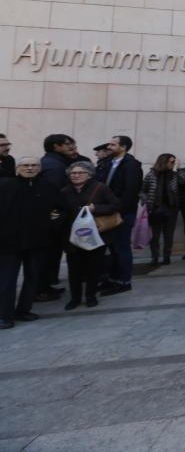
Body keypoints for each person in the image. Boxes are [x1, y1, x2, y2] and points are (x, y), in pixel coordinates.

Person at [0, 157, 61, 328]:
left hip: (37, 241)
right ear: (18, 168)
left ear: (40, 168)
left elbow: (60, 209)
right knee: (7, 280)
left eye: (34, 165)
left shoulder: (48, 187)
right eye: (25, 165)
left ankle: (24, 310)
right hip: (8, 243)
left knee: (33, 277)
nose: (29, 168)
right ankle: (5, 315)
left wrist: (52, 223)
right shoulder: (4, 185)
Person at [61, 161, 119, 310]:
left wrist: (96, 208)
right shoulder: (64, 191)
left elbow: (115, 205)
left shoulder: (100, 188)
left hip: (95, 235)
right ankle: (74, 298)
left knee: (94, 268)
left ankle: (91, 296)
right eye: (73, 173)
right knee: (74, 270)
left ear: (89, 175)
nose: (76, 175)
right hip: (73, 237)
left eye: (80, 173)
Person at [37, 134, 90, 301]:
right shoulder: (54, 166)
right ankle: (41, 289)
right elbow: (57, 194)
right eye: (67, 144)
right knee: (48, 255)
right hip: (54, 219)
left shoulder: (56, 162)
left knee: (51, 255)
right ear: (56, 147)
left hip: (53, 218)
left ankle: (45, 286)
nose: (71, 147)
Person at [96, 135, 142, 296]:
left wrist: (118, 210)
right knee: (112, 247)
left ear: (123, 147)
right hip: (107, 211)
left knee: (121, 247)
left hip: (123, 213)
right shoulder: (107, 163)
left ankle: (124, 281)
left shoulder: (132, 165)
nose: (109, 146)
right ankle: (112, 278)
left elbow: (130, 191)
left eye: (113, 144)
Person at [141, 153, 179, 266]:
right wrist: (147, 200)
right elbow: (142, 190)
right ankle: (155, 257)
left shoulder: (175, 175)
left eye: (174, 162)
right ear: (164, 161)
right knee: (154, 236)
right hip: (155, 209)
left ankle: (167, 257)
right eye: (171, 162)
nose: (173, 164)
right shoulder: (152, 174)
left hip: (171, 209)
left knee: (169, 235)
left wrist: (178, 169)